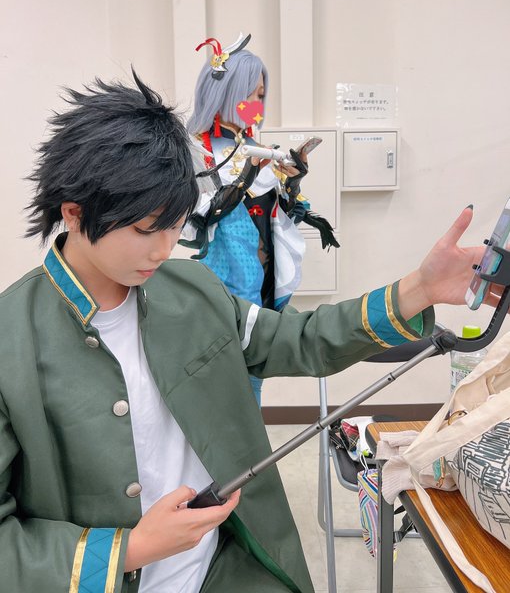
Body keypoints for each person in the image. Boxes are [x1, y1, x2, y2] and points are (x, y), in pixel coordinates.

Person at [0, 69, 496, 593]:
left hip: (226, 568)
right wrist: (132, 550)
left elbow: (302, 340)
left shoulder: (192, 290)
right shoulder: (12, 341)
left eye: (175, 225)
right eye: (145, 230)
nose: (164, 249)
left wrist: (419, 288)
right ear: (75, 214)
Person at [184, 33, 339, 405]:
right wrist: (247, 174)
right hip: (229, 278)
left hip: (265, 276)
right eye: (250, 96)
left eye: (261, 96)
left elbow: (282, 211)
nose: (257, 105)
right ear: (224, 94)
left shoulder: (252, 144)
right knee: (229, 380)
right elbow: (199, 217)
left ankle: (248, 436)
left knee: (254, 373)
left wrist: (294, 178)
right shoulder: (198, 149)